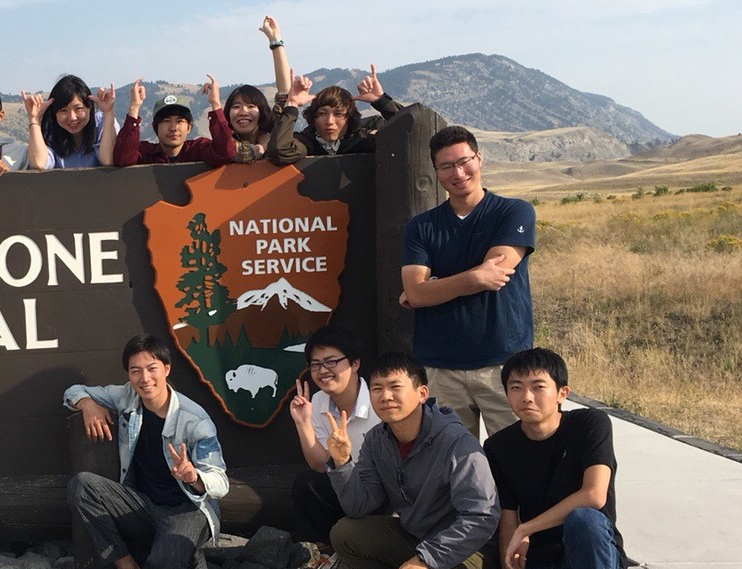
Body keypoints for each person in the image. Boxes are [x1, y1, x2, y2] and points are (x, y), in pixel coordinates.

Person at [463, 348, 625, 569]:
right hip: (539, 562)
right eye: (516, 388)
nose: (527, 397)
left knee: (583, 521)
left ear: (562, 393)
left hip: (589, 555)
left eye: (538, 387)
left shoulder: (590, 425)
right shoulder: (499, 446)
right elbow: (508, 525)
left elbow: (594, 495)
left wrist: (528, 528)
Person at [325, 352, 500, 569]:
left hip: (473, 551)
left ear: (422, 393)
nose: (385, 396)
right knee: (346, 532)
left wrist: (426, 558)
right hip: (420, 538)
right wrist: (341, 462)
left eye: (395, 387)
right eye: (376, 388)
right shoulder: (376, 440)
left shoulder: (456, 442)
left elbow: (482, 517)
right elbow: (359, 507)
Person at [65, 333, 230, 569]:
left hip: (187, 509)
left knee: (164, 568)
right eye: (136, 371)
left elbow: (220, 482)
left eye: (152, 369)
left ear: (166, 369)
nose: (145, 379)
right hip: (144, 504)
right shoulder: (127, 397)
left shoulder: (194, 419)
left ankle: (193, 557)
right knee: (82, 486)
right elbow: (73, 391)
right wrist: (87, 405)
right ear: (129, 375)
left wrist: (192, 476)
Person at [400, 125, 536, 437]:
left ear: (479, 159)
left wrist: (433, 285)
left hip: (503, 364)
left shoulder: (513, 212)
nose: (458, 173)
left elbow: (495, 273)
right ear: (436, 171)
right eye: (446, 166)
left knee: (519, 460)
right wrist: (471, 277)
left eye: (464, 161)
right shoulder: (421, 227)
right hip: (440, 368)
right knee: (453, 466)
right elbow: (417, 293)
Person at [286, 325, 376, 569]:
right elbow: (318, 464)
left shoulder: (377, 399)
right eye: (315, 364)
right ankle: (338, 557)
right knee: (307, 484)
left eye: (331, 361)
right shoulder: (319, 401)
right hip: (348, 485)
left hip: (384, 492)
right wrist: (303, 423)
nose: (323, 370)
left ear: (356, 363)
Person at [269, 65, 404, 164]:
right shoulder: (307, 142)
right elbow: (280, 150)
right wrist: (292, 105)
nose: (329, 121)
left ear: (349, 118)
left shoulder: (361, 139)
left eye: (338, 114)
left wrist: (381, 101)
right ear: (313, 118)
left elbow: (412, 134)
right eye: (322, 113)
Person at [112, 77, 235, 166]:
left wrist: (215, 104)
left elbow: (225, 152)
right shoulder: (145, 153)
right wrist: (134, 108)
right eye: (166, 121)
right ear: (155, 128)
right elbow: (123, 158)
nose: (173, 127)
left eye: (180, 121)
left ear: (189, 127)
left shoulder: (198, 150)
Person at [223, 16, 292, 163]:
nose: (243, 112)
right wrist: (261, 147)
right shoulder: (223, 146)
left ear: (261, 111)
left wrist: (276, 42)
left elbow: (285, 96)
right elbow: (243, 154)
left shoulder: (275, 137)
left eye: (251, 106)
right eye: (236, 107)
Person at [23, 75, 118, 169]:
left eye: (78, 108)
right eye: (63, 110)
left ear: (90, 107)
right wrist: (34, 118)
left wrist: (108, 112)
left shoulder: (103, 122)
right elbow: (39, 164)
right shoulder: (50, 131)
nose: (72, 117)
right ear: (55, 113)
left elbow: (108, 160)